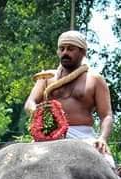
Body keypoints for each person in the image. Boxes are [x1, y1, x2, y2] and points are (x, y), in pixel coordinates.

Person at [24, 30, 114, 162]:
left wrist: (102, 138)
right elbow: (30, 103)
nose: (65, 52)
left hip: (83, 137)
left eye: (71, 49)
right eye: (62, 49)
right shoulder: (46, 77)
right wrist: (43, 114)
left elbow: (106, 115)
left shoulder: (95, 79)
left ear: (83, 52)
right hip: (49, 136)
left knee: (108, 164)